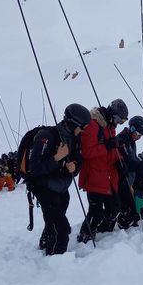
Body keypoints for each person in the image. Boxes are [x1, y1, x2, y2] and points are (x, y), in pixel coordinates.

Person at [27, 103, 90, 255]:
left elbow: (78, 158)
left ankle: (45, 242)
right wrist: (57, 158)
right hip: (44, 188)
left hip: (61, 188)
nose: (83, 130)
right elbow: (34, 168)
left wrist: (74, 165)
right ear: (72, 123)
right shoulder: (46, 136)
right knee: (62, 231)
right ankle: (53, 263)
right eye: (82, 127)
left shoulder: (74, 138)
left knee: (53, 223)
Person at [77, 99, 129, 243]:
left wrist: (118, 162)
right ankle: (85, 236)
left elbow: (111, 151)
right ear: (112, 114)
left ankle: (103, 233)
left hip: (108, 176)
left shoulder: (110, 126)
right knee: (96, 212)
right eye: (119, 119)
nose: (118, 123)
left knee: (114, 208)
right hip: (94, 175)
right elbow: (87, 152)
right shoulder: (94, 125)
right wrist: (107, 146)